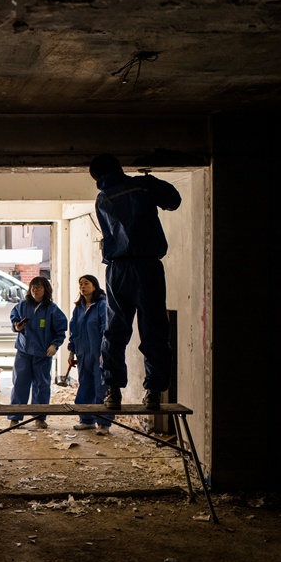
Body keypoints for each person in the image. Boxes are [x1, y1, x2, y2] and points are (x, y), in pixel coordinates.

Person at [89, 153, 181, 411]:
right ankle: (153, 392)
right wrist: (151, 180)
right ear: (118, 167)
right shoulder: (141, 186)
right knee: (154, 329)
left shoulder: (101, 199)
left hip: (117, 269)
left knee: (115, 331)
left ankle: (113, 391)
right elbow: (174, 201)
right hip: (147, 266)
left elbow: (109, 234)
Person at [8, 276, 67, 430]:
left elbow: (61, 330)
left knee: (41, 386)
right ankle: (15, 417)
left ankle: (40, 418)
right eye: (33, 287)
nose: (35, 290)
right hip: (24, 352)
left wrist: (55, 345)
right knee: (20, 384)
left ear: (46, 290)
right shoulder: (22, 306)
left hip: (43, 354)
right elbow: (14, 320)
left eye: (39, 287)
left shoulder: (52, 309)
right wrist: (17, 327)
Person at [67, 274, 113, 434]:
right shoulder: (78, 308)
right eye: (80, 284)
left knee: (101, 387)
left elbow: (105, 328)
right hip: (82, 354)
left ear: (94, 286)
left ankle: (104, 424)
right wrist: (71, 350)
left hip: (98, 353)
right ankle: (86, 420)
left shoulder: (102, 305)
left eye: (86, 283)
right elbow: (73, 330)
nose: (82, 286)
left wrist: (104, 351)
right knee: (85, 387)